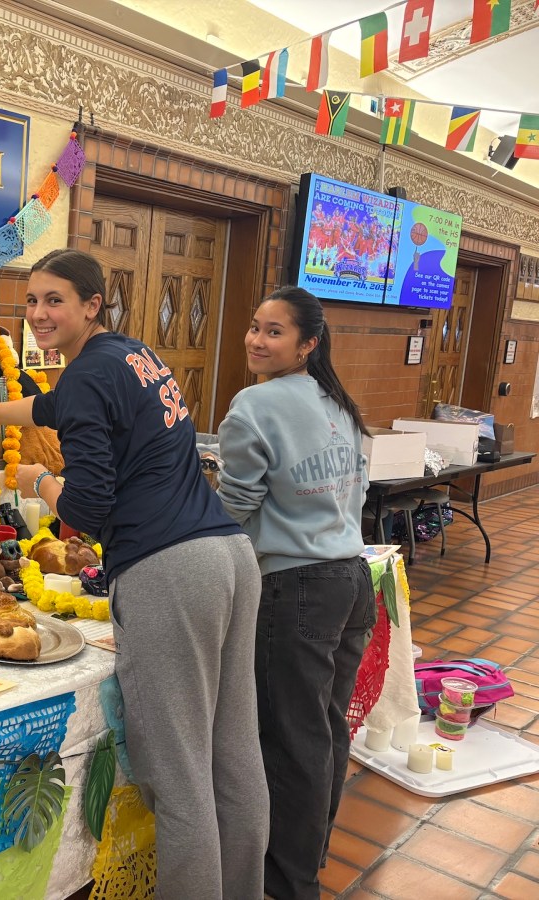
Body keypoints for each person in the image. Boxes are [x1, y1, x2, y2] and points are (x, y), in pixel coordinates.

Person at [0, 248, 267, 898]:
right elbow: (50, 408)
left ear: (91, 303)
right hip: (228, 554)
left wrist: (38, 480)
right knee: (234, 754)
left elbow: (89, 508)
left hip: (168, 568)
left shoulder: (88, 375)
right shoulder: (126, 355)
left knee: (177, 781)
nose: (38, 312)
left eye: (54, 300)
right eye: (31, 300)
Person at [216, 286, 375, 900]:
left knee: (290, 740)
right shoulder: (339, 403)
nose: (257, 339)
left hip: (297, 587)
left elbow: (235, 508)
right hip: (353, 580)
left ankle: (286, 884)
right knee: (326, 729)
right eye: (255, 327)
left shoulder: (253, 407)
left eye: (274, 331)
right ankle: (310, 856)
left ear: (308, 344)